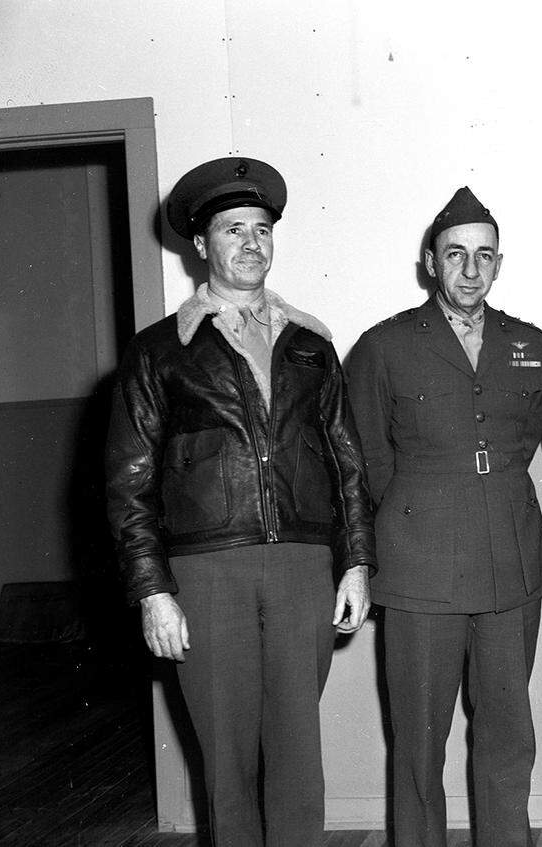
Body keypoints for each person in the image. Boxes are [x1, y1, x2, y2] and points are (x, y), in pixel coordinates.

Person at [105, 157, 375, 847]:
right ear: (201, 245)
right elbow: (128, 481)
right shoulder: (158, 352)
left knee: (297, 756)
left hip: (303, 567)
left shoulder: (312, 344)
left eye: (261, 229)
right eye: (233, 229)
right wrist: (152, 591)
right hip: (205, 573)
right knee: (226, 763)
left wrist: (356, 563)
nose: (251, 243)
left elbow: (347, 459)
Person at [346, 186, 542, 847]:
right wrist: (418, 514)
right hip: (420, 566)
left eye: (484, 256)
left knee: (506, 732)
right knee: (419, 738)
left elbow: (533, 438)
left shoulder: (530, 343)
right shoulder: (384, 345)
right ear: (430, 262)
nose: (470, 269)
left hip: (510, 561)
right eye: (456, 254)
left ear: (499, 264)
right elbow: (368, 458)